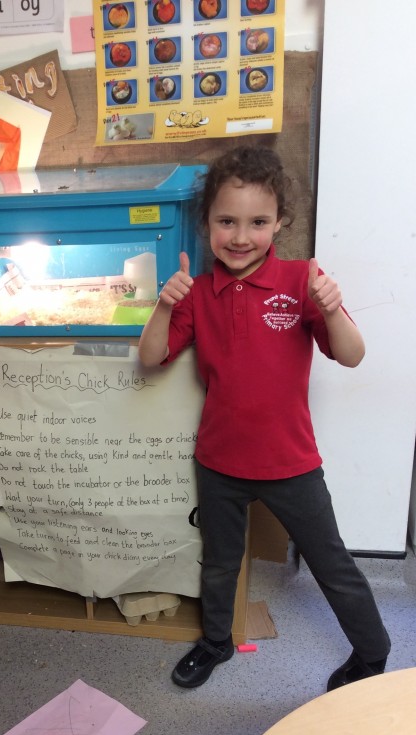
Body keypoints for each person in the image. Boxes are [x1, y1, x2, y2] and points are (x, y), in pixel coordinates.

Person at [138, 146, 390, 693]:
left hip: (290, 464)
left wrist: (330, 306)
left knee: (331, 563)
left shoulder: (302, 280)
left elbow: (352, 355)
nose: (240, 236)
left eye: (257, 222)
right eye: (226, 221)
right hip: (219, 462)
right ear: (206, 224)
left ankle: (373, 654)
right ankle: (215, 642)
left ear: (280, 223)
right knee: (219, 562)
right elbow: (151, 357)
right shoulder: (198, 293)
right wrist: (164, 305)